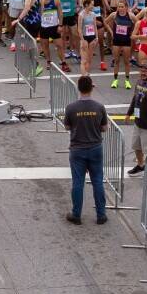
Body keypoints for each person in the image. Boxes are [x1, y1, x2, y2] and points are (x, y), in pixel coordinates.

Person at [62, 73, 108, 225]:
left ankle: (76, 214)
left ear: (79, 88)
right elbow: (104, 128)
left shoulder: (71, 108)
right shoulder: (99, 107)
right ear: (91, 88)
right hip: (95, 147)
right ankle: (101, 214)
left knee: (78, 182)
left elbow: (67, 126)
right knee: (97, 181)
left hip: (77, 149)